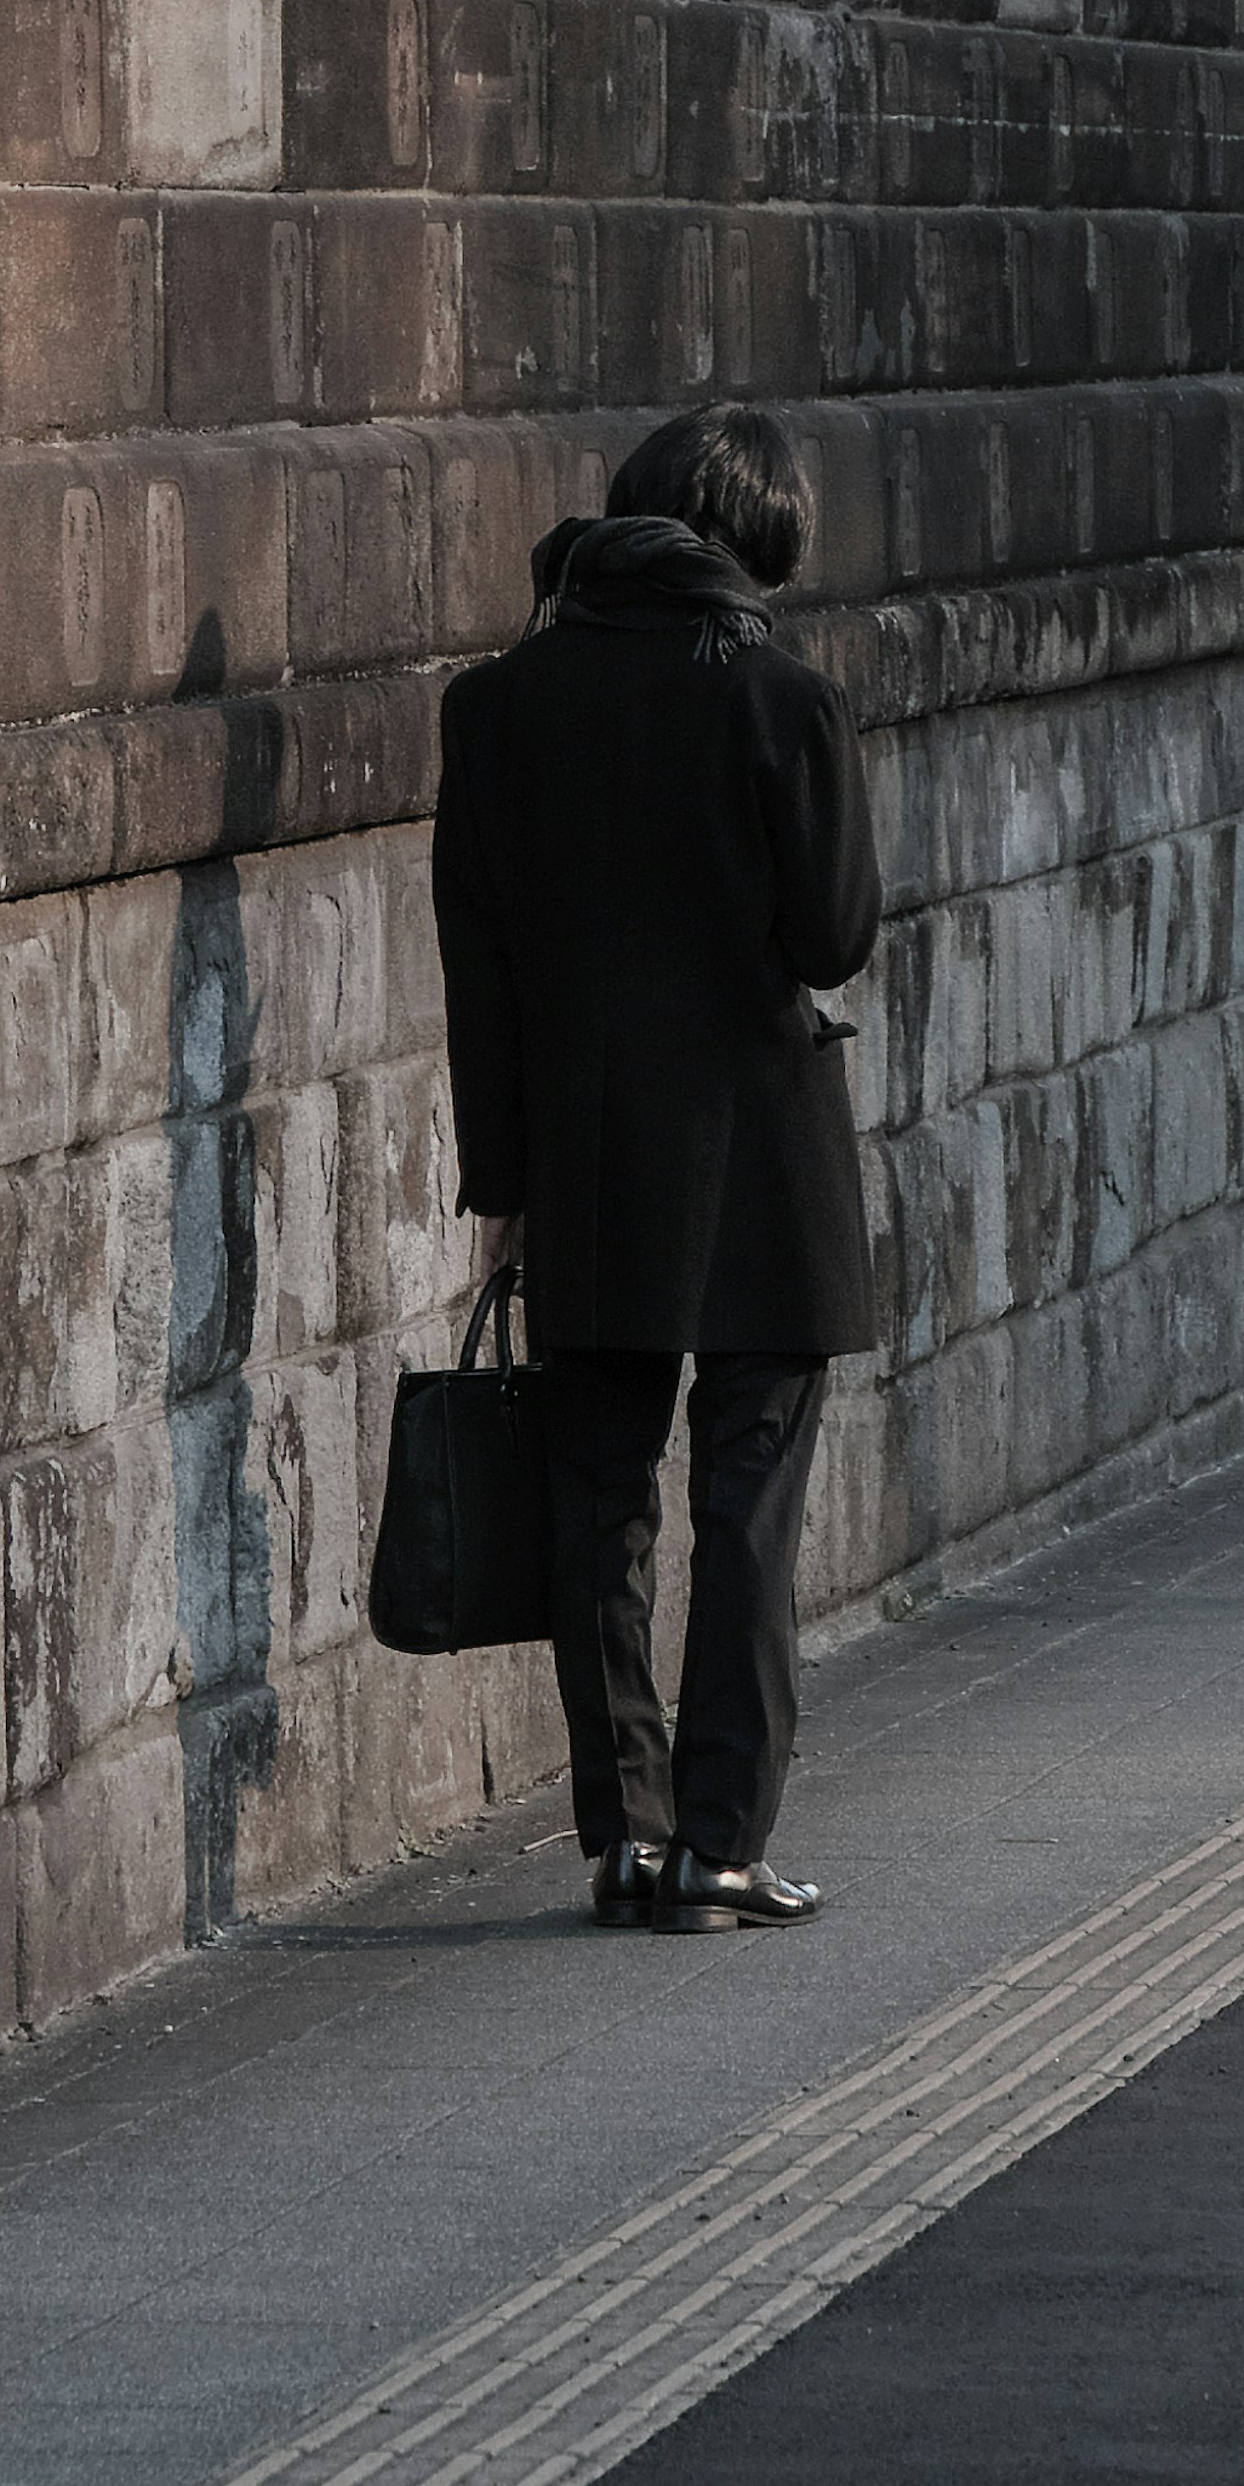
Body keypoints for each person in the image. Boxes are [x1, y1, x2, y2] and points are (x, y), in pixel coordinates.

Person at [431, 403, 882, 1935]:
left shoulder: (497, 709)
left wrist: (502, 1183)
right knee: (748, 1501)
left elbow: (478, 966)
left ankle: (622, 1837)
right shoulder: (782, 701)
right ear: (749, 545)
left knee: (600, 1495)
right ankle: (720, 1846)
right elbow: (832, 939)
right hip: (764, 1161)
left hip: (594, 1162)